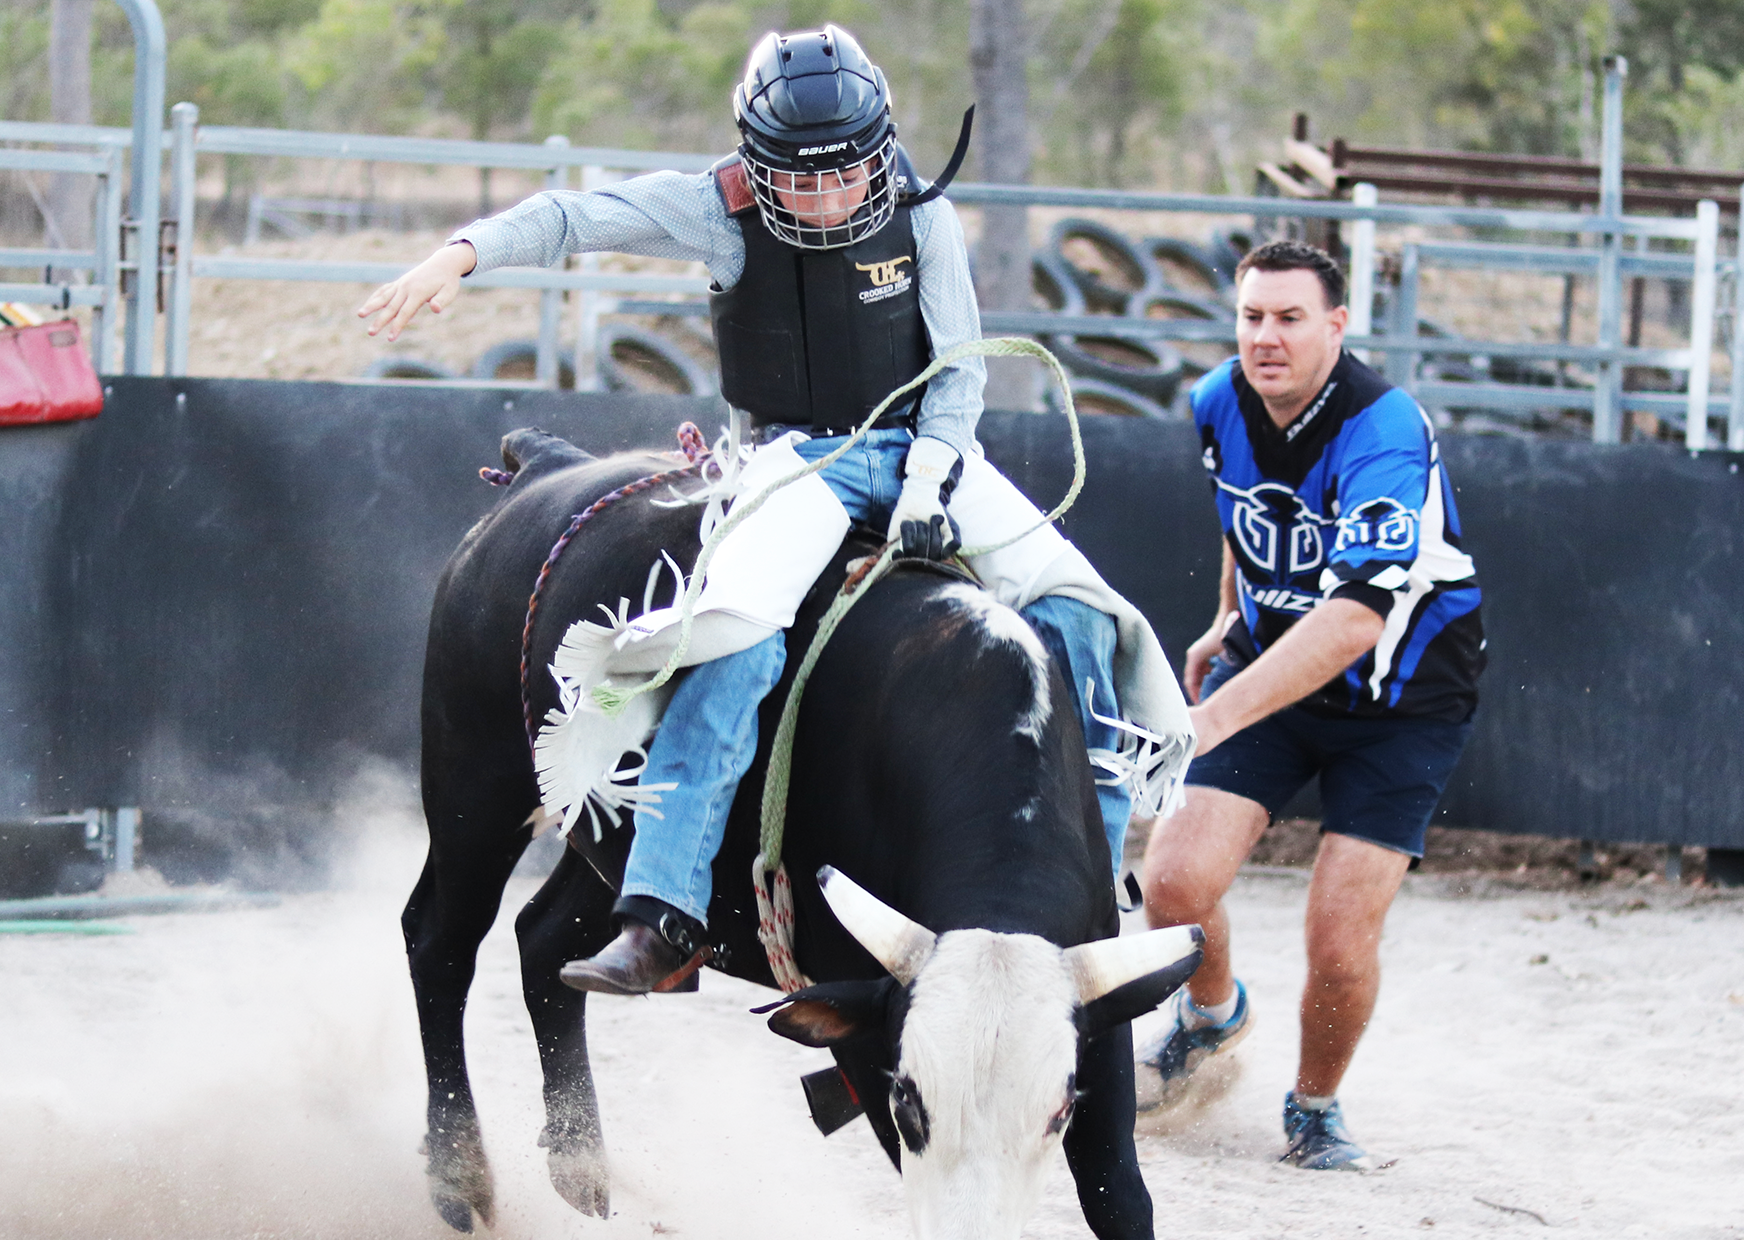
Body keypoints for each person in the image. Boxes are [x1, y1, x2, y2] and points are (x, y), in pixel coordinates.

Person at [360, 24, 1152, 993]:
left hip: (928, 451)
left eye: (845, 173)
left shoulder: (925, 217)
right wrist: (465, 252)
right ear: (755, 165)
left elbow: (959, 379)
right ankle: (661, 910)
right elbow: (580, 217)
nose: (825, 197)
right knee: (735, 636)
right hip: (791, 467)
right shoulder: (715, 211)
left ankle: (1092, 885)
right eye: (798, 178)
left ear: (879, 151)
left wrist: (924, 487)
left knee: (1089, 615)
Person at [1134, 240, 1485, 1171]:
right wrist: (1222, 615)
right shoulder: (1217, 401)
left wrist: (1210, 717)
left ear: (1336, 324)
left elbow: (1355, 621)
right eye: (1252, 316)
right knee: (1172, 884)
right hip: (1273, 666)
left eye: (1290, 318)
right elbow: (1244, 515)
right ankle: (1210, 1016)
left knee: (1337, 936)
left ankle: (1315, 1107)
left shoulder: (1383, 426)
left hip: (1404, 698)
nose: (1266, 337)